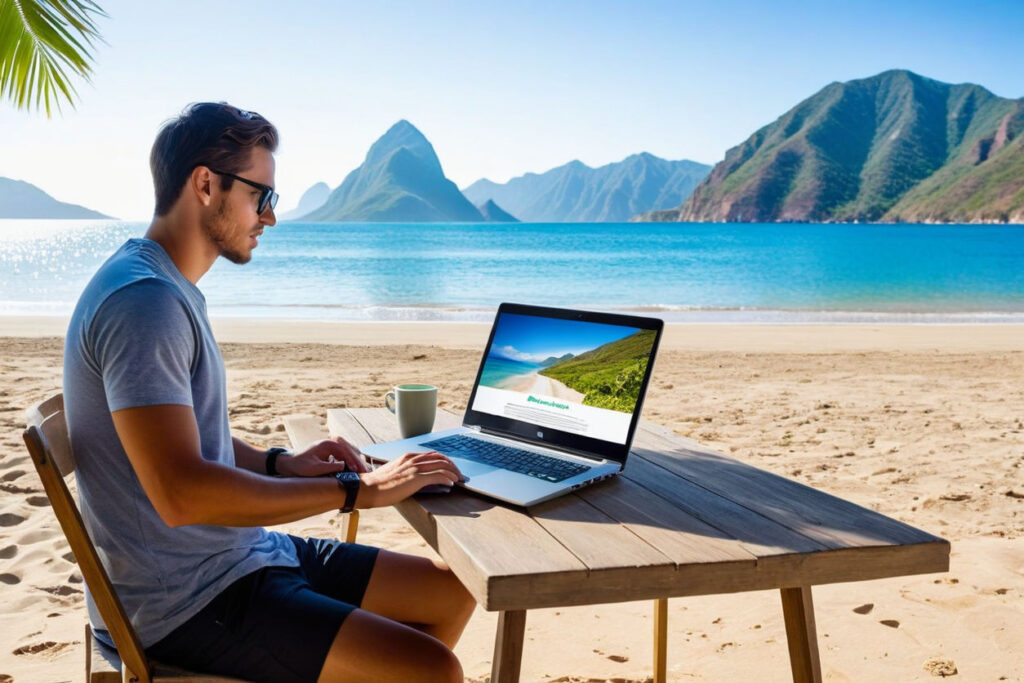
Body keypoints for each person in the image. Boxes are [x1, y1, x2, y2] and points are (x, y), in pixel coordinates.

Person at [63, 102, 476, 683]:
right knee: (432, 670)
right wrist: (358, 491)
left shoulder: (162, 284)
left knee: (449, 594)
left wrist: (281, 463)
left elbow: (187, 441)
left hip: (235, 555)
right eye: (263, 197)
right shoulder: (145, 303)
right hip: (184, 601)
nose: (271, 218)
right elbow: (181, 492)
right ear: (206, 184)